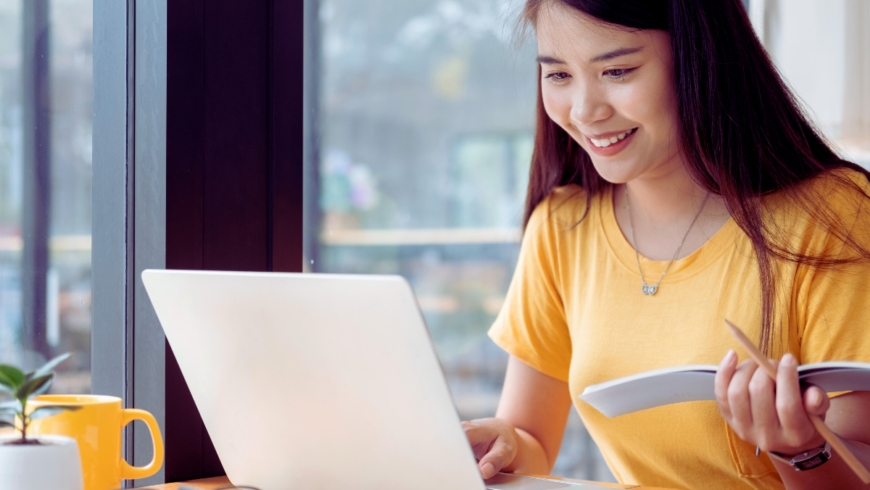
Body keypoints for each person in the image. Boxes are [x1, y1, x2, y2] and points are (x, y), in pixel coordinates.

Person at [462, 1, 870, 489]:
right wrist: (501, 443)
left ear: (701, 58)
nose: (585, 110)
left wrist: (801, 451)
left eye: (617, 70)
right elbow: (530, 437)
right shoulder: (563, 224)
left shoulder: (832, 214)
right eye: (558, 75)